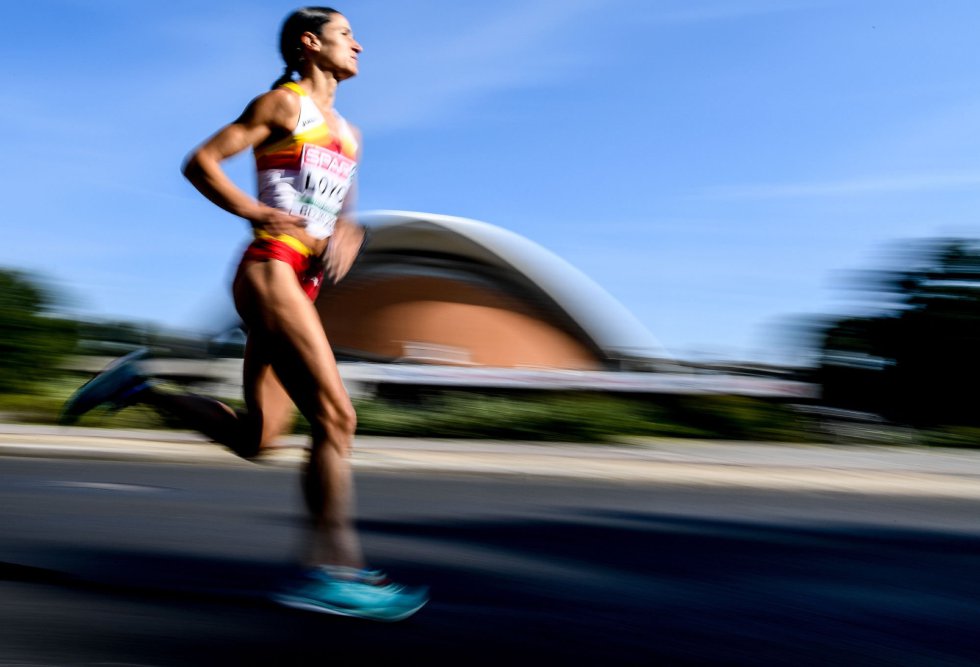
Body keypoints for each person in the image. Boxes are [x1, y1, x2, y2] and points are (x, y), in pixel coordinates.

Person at [60, 6, 428, 622]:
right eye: (345, 35)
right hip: (270, 269)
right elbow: (201, 162)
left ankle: (137, 387)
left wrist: (349, 233)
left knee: (258, 439)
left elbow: (340, 212)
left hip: (302, 284)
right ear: (310, 44)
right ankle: (332, 572)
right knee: (337, 417)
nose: (359, 45)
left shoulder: (350, 134)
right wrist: (255, 211)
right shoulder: (282, 105)